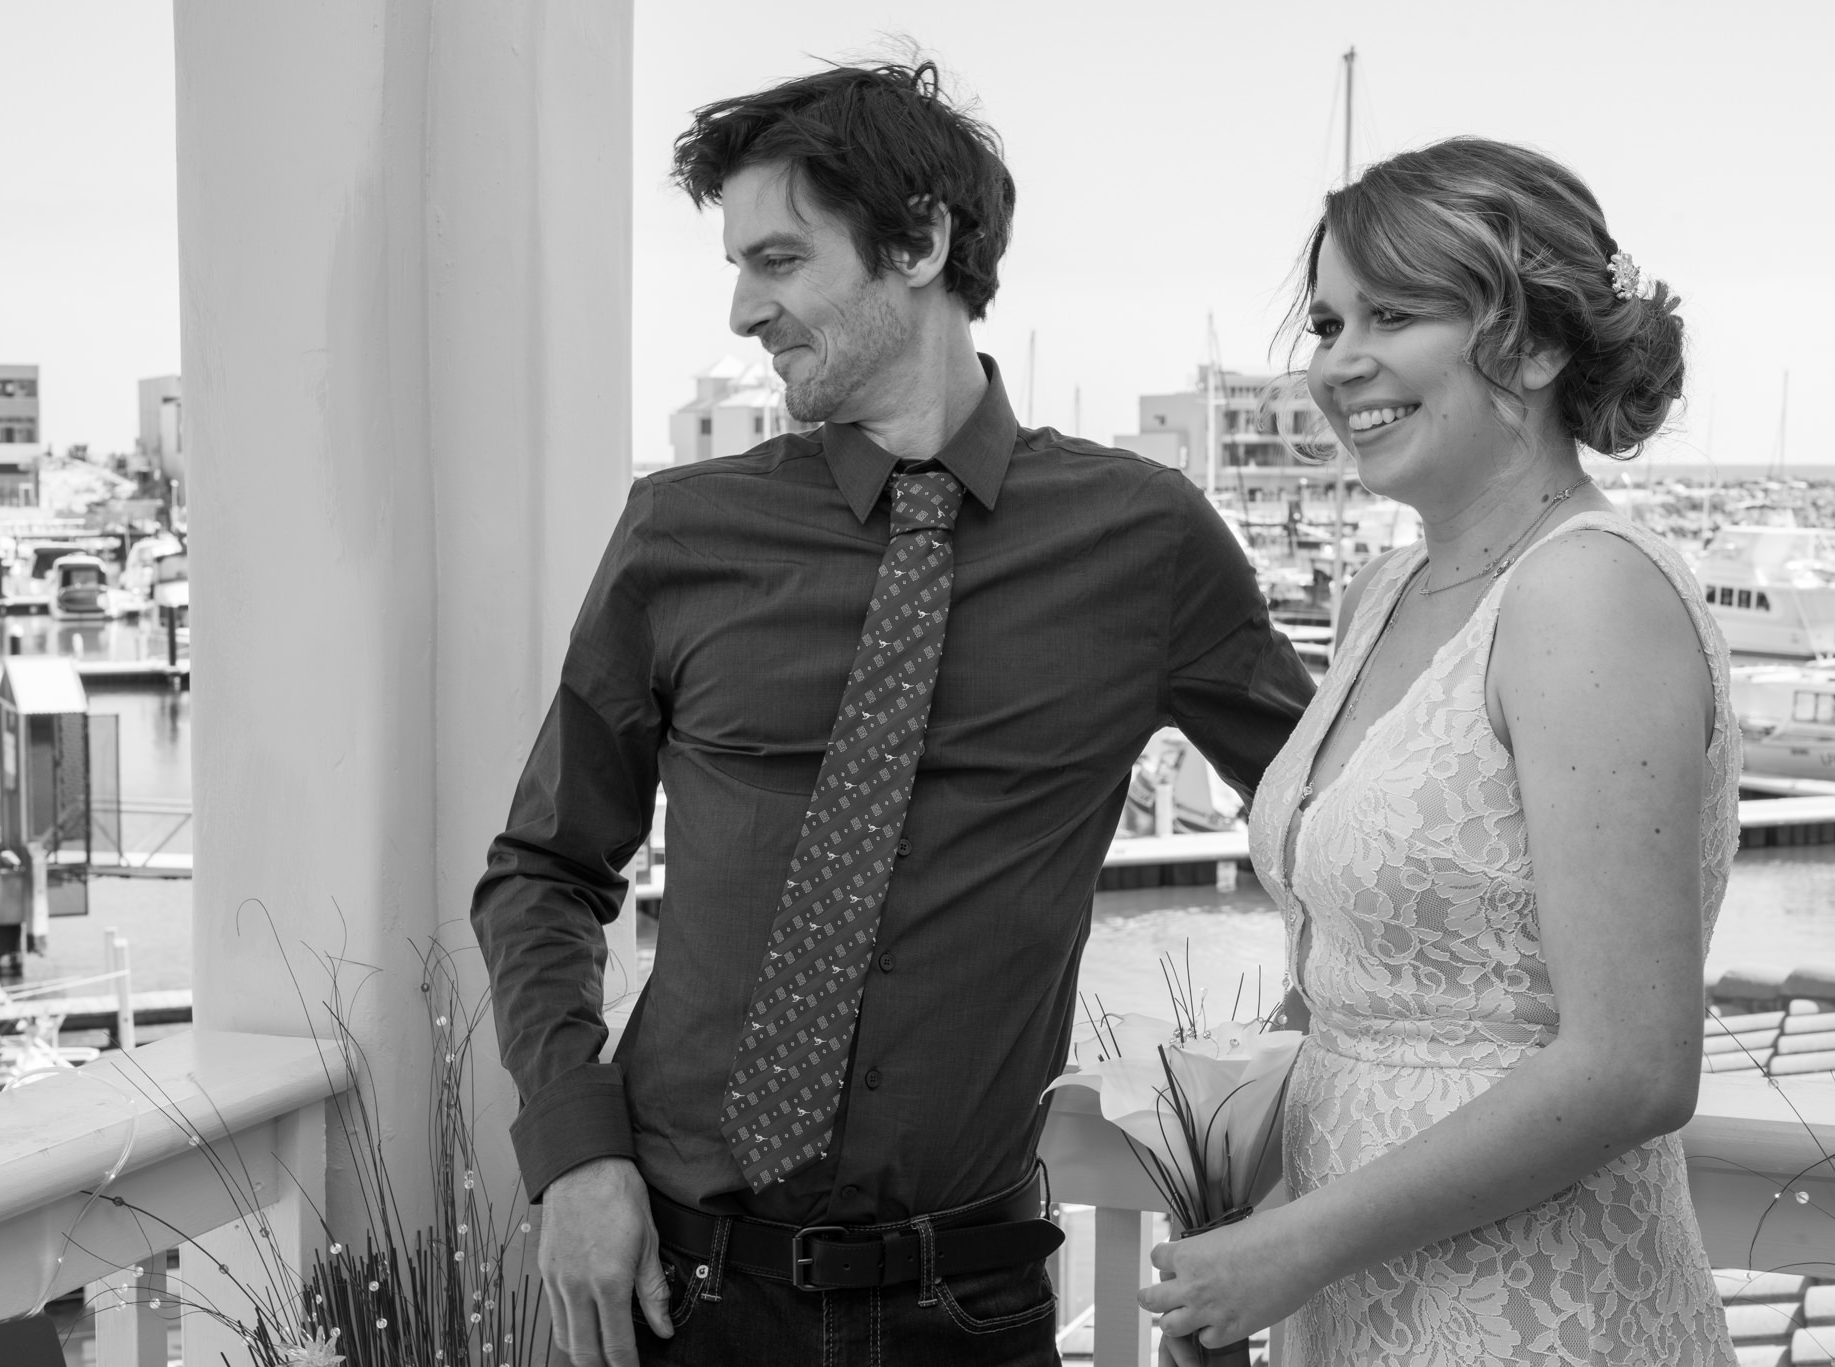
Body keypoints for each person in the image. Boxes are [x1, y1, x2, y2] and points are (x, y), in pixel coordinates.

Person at [471, 60, 1315, 1367]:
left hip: (966, 1303)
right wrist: (575, 1150)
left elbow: (1344, 833)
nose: (744, 306)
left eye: (779, 259)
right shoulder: (682, 530)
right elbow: (543, 866)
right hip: (679, 1290)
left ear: (918, 242)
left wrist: (1320, 1060)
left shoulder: (1147, 546)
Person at [1140, 137, 1740, 1366]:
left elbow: (1631, 1065)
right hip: (1347, 1294)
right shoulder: (1385, 590)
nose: (1338, 361)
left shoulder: (1585, 595)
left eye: (1394, 312)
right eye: (1325, 319)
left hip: (1536, 1307)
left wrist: (1296, 1244)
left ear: (1530, 340)